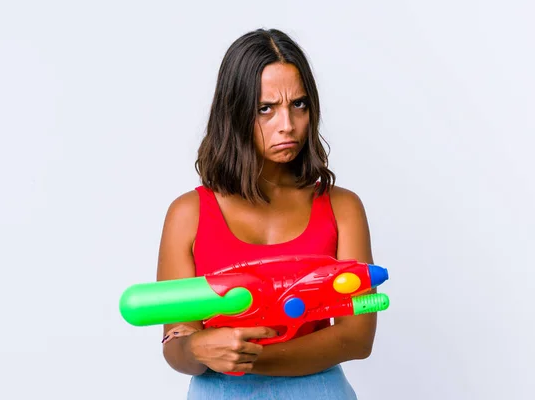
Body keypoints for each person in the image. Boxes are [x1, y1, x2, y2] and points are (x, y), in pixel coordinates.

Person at [156, 28, 379, 399]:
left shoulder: (343, 208)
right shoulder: (188, 214)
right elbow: (176, 339)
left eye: (299, 104)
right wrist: (195, 348)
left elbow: (357, 338)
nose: (287, 125)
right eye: (265, 109)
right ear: (234, 111)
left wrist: (241, 356)